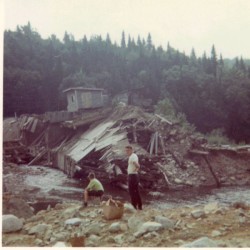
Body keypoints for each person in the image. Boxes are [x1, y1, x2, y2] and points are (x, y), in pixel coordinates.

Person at [125, 145, 142, 210]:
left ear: (132, 150)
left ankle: (134, 206)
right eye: (126, 151)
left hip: (132, 176)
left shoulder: (133, 156)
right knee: (135, 191)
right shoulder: (133, 156)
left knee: (132, 191)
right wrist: (136, 169)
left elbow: (137, 165)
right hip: (133, 175)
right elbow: (138, 165)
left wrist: (136, 168)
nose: (127, 152)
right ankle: (139, 206)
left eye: (128, 150)